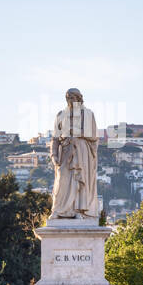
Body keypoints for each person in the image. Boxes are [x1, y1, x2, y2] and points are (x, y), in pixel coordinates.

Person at [49, 87, 99, 220]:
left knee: (80, 180)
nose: (69, 100)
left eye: (72, 97)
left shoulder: (88, 114)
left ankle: (79, 211)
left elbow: (93, 135)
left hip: (82, 151)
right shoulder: (60, 115)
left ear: (79, 98)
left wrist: (73, 131)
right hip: (65, 151)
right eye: (67, 97)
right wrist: (53, 155)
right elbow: (54, 138)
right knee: (62, 180)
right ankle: (58, 210)